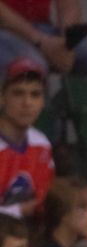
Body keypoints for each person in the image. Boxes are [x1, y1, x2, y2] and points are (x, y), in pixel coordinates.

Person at [0, 58, 53, 221]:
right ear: (2, 98)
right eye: (18, 93)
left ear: (43, 102)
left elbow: (41, 202)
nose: (27, 103)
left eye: (35, 94)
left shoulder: (41, 143)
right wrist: (19, 211)